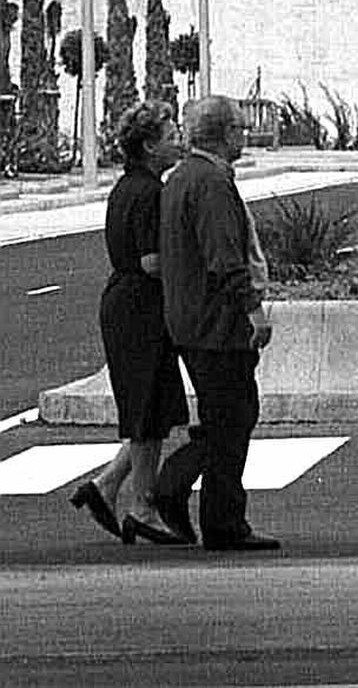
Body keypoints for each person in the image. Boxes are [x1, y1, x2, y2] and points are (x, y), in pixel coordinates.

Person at [152, 96, 279, 553]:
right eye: (240, 128)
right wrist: (253, 310)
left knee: (224, 415)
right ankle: (218, 518)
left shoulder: (182, 177)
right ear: (224, 134)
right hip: (217, 324)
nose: (245, 136)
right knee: (234, 417)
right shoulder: (211, 183)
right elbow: (224, 258)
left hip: (189, 320)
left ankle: (181, 488)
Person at [69, 101, 189, 546]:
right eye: (171, 135)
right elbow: (152, 261)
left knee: (151, 408)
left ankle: (106, 487)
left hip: (127, 303)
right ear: (149, 145)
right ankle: (141, 508)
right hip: (140, 307)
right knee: (146, 411)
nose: (179, 141)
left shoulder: (128, 186)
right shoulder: (150, 193)